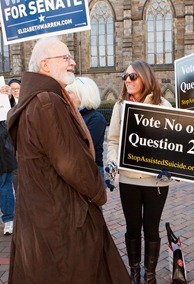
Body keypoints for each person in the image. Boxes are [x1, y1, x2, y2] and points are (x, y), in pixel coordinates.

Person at [6, 36, 130, 283]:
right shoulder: (46, 102)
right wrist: (98, 193)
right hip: (61, 216)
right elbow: (71, 163)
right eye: (65, 57)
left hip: (42, 215)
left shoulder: (35, 100)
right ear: (45, 65)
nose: (72, 61)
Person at [106, 60, 172, 284]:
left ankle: (150, 275)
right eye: (125, 76)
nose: (127, 80)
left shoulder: (163, 105)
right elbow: (113, 140)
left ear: (145, 77)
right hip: (129, 178)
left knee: (151, 228)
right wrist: (112, 162)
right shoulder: (119, 105)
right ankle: (135, 272)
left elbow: (174, 142)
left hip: (156, 180)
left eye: (132, 76)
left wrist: (172, 164)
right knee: (132, 227)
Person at [66, 77, 107, 183]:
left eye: (70, 92)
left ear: (82, 94)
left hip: (90, 172)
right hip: (72, 171)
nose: (66, 96)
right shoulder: (69, 115)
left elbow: (84, 146)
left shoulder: (96, 118)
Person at [0, 120, 16, 235]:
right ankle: (9, 220)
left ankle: (9, 220)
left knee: (5, 188)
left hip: (3, 159)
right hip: (4, 158)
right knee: (5, 188)